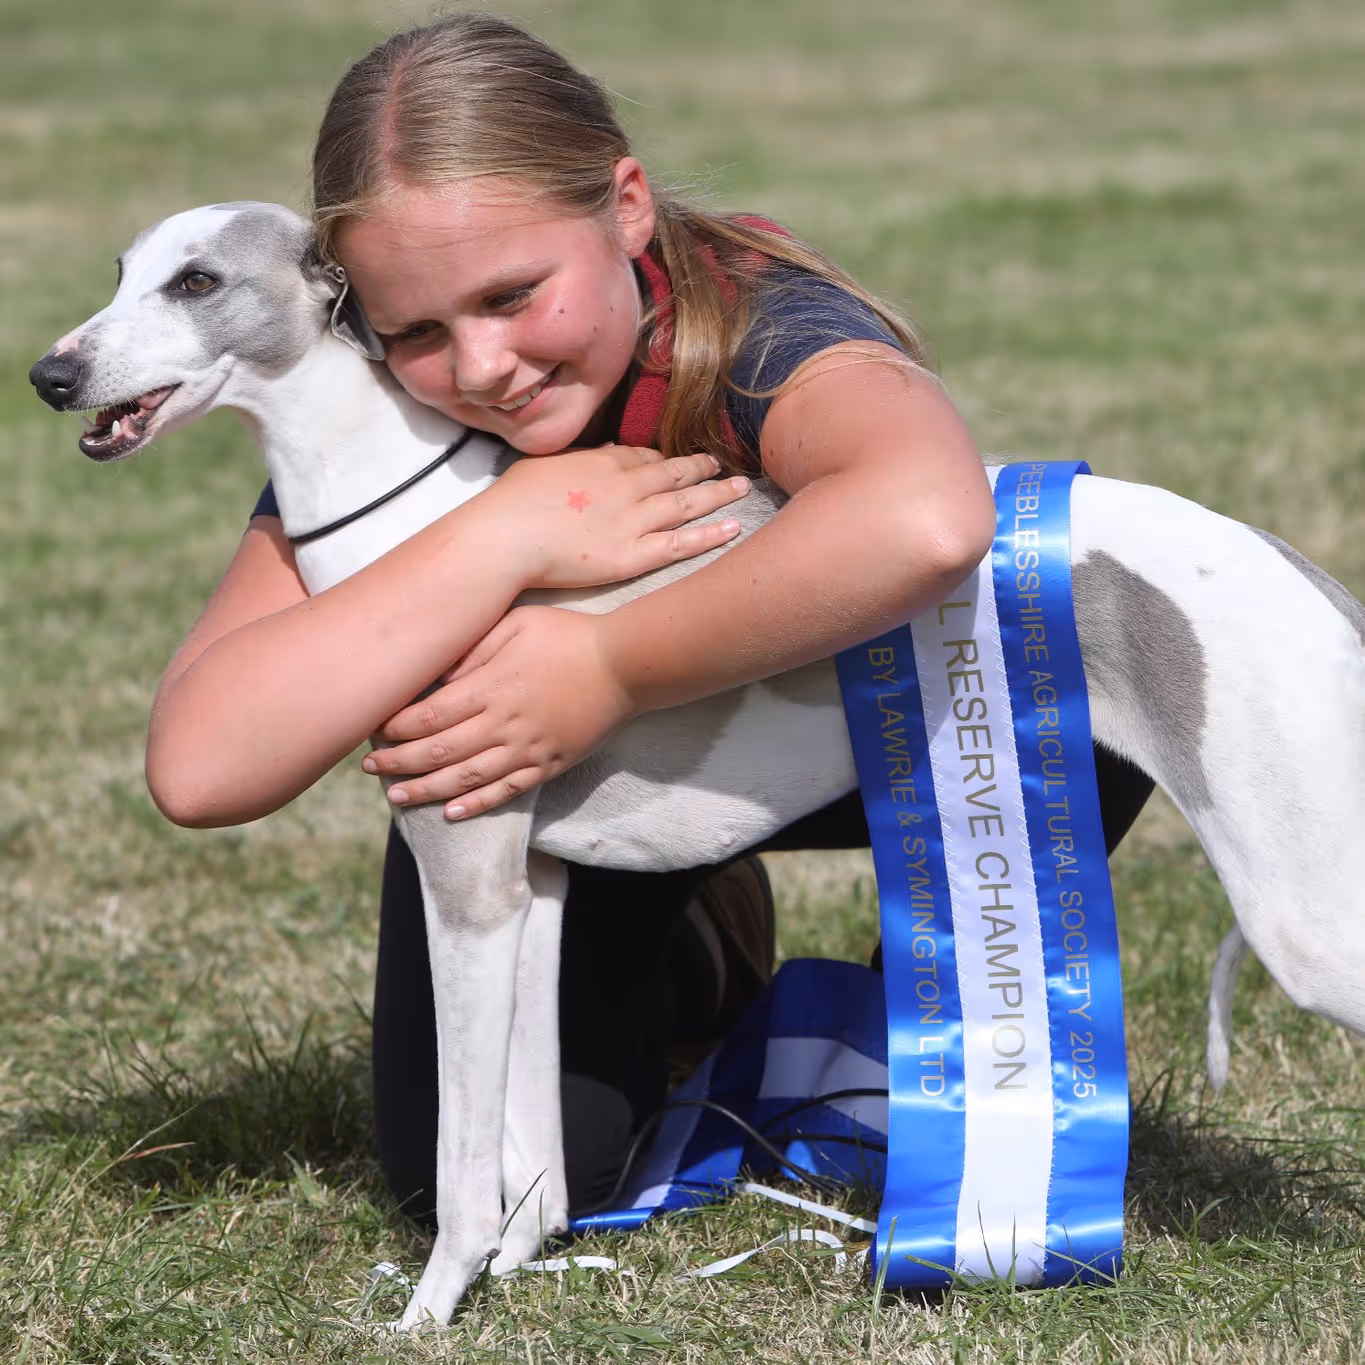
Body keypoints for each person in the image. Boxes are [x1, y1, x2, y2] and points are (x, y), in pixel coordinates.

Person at [146, 13, 1153, 1224]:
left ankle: (919, 1039)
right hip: (553, 797)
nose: (480, 367)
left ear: (626, 208)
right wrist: (505, 533)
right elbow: (202, 764)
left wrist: (607, 667)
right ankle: (702, 954)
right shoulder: (383, 420)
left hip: (876, 750)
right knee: (487, 1181)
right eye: (415, 330)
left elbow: (930, 518)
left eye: (515, 294)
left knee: (1078, 678)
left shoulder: (755, 320)